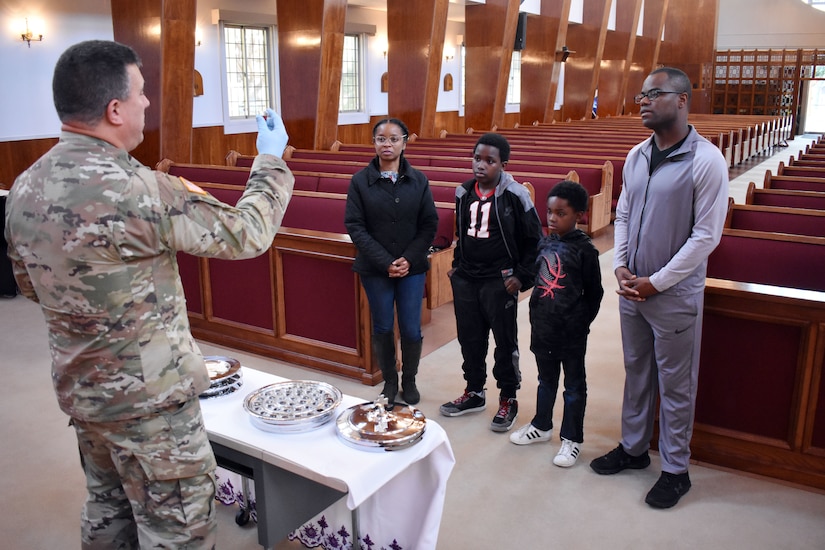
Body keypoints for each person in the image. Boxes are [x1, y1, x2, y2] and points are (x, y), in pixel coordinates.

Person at [4, 40, 294, 548]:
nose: (147, 104)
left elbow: (31, 284)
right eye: (141, 94)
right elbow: (248, 232)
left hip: (84, 394)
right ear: (114, 109)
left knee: (108, 511)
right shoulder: (137, 189)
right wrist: (268, 160)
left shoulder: (24, 188)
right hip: (150, 405)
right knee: (177, 529)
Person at [589, 67, 729, 508]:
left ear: (683, 100)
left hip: (673, 292)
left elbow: (707, 236)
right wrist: (622, 265)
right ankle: (633, 450)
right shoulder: (637, 154)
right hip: (634, 286)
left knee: (676, 383)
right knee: (637, 372)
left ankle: (675, 469)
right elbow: (625, 213)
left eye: (654, 94)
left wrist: (658, 282)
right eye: (641, 95)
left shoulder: (706, 160)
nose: (643, 102)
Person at [439, 133, 543, 432]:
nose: (481, 166)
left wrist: (521, 276)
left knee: (504, 341)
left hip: (499, 281)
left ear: (503, 164)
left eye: (490, 161)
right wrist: (457, 266)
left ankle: (508, 397)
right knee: (470, 339)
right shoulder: (463, 192)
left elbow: (534, 240)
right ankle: (474, 391)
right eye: (477, 159)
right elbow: (462, 231)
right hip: (467, 278)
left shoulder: (515, 194)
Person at [344, 118, 438, 406]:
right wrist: (386, 261)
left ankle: (409, 381)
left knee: (411, 328)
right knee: (383, 326)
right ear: (374, 144)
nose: (387, 144)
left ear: (404, 143)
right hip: (375, 268)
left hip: (412, 268)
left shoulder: (418, 180)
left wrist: (408, 259)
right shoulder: (360, 181)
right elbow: (355, 226)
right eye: (381, 139)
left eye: (394, 139)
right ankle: (389, 382)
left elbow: (429, 223)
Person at [510, 181, 604, 468]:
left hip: (572, 330)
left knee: (574, 385)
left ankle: (572, 438)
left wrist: (581, 322)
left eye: (560, 213)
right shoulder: (545, 242)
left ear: (579, 215)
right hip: (543, 325)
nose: (552, 218)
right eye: (549, 212)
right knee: (545, 380)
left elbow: (594, 292)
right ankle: (542, 425)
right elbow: (537, 278)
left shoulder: (585, 250)